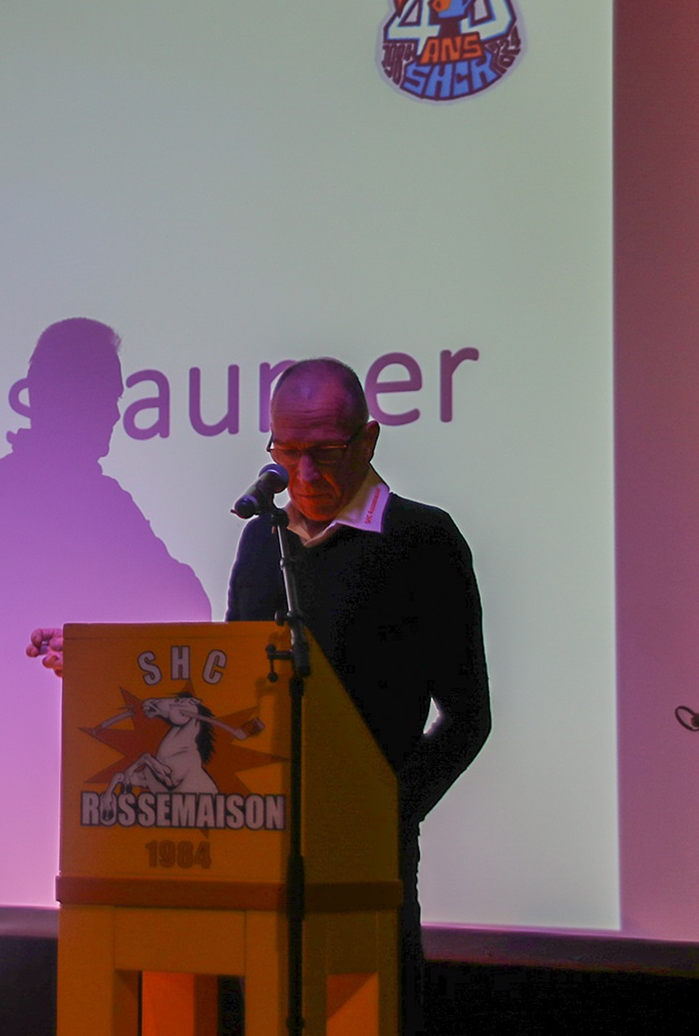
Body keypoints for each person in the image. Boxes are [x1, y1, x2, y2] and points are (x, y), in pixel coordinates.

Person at [227, 357, 491, 1035]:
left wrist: (386, 814)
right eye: (287, 452)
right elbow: (233, 687)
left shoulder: (421, 541)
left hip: (369, 858)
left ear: (368, 440)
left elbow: (468, 716)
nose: (304, 473)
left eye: (325, 453)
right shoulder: (262, 540)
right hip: (262, 849)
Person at [0, 318, 209, 903]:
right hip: (57, 758)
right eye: (108, 396)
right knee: (38, 906)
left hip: (82, 757)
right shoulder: (66, 496)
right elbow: (186, 597)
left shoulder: (37, 490)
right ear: (67, 398)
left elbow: (192, 603)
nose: (116, 414)